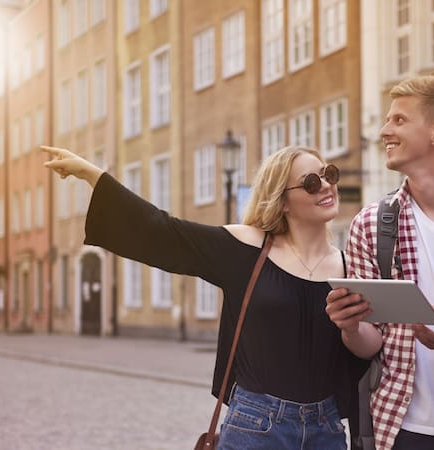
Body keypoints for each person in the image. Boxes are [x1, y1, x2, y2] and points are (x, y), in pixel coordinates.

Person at [41, 144, 367, 450]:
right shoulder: (245, 248)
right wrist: (91, 174)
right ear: (282, 200)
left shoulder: (351, 265)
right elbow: (163, 230)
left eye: (330, 175)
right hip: (257, 426)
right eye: (311, 182)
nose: (326, 185)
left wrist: (352, 328)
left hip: (327, 429)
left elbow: (371, 347)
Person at [325, 75, 434, 450]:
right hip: (398, 428)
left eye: (399, 120)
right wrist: (350, 327)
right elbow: (371, 343)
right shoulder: (371, 224)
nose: (385, 130)